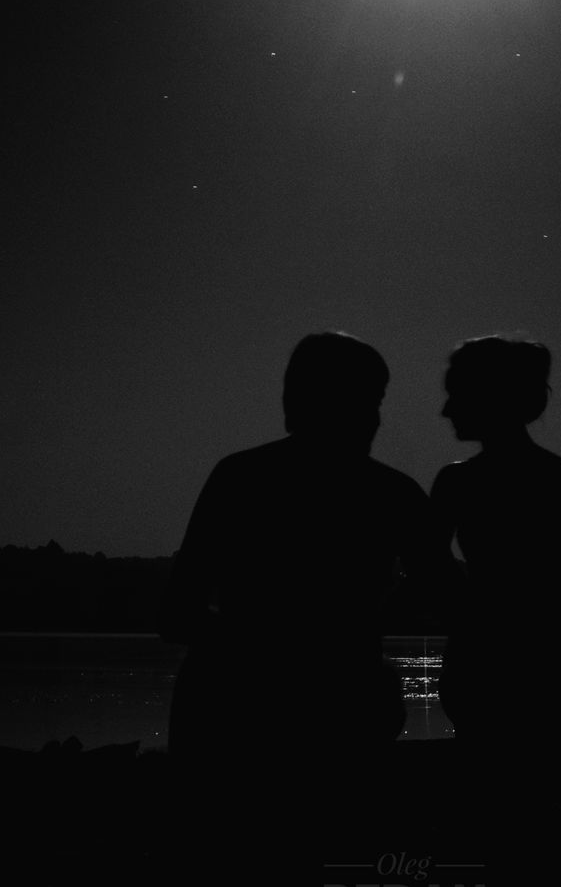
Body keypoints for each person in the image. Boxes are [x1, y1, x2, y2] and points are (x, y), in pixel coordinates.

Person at [162, 330, 453, 778]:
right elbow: (447, 593)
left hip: (229, 708)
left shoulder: (238, 477)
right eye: (370, 401)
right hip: (338, 707)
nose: (375, 418)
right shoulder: (394, 494)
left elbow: (178, 612)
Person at [430, 335, 561, 753]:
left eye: (457, 395)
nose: (446, 409)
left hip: (479, 672)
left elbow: (428, 569)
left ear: (488, 397)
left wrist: (475, 623)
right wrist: (559, 635)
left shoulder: (456, 484)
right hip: (553, 673)